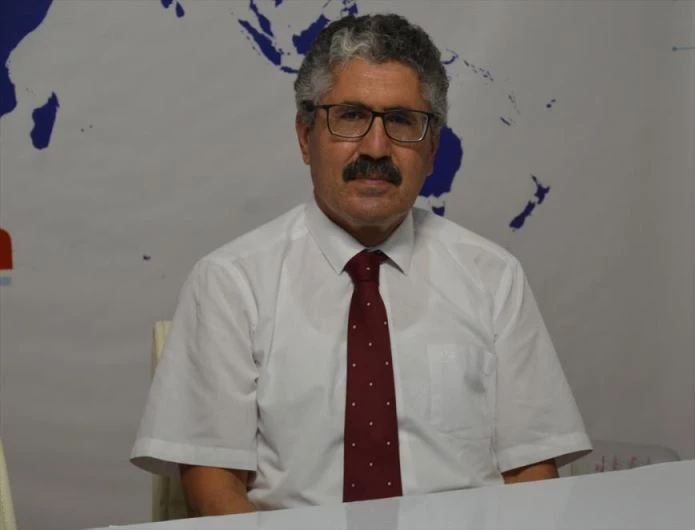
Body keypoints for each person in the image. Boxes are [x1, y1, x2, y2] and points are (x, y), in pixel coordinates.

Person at [131, 13, 591, 516]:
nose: (376, 147)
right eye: (350, 116)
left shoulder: (494, 276)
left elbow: (530, 472)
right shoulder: (231, 282)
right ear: (305, 136)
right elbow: (214, 487)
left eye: (402, 121)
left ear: (432, 149)